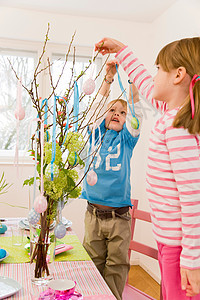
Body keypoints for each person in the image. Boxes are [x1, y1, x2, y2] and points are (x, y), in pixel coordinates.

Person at [95, 37, 200, 300]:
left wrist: (191, 258)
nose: (154, 76)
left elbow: (193, 198)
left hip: (180, 249)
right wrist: (122, 51)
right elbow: (145, 83)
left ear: (178, 75)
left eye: (159, 69)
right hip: (171, 242)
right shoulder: (171, 114)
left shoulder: (179, 130)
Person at [81, 59, 143, 300]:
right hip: (93, 215)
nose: (117, 114)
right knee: (93, 264)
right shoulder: (95, 134)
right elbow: (96, 106)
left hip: (119, 218)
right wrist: (107, 79)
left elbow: (135, 117)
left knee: (116, 267)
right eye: (112, 111)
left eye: (122, 112)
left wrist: (132, 89)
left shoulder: (127, 140)